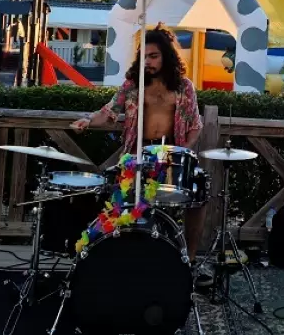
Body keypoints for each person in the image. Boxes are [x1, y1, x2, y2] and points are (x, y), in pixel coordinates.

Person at [71, 25, 211, 286]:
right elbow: (108, 112)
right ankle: (117, 260)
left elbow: (195, 125)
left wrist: (184, 150)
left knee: (198, 192)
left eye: (153, 56)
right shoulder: (133, 85)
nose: (148, 61)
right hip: (137, 157)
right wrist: (88, 120)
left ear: (167, 56)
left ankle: (189, 262)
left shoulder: (184, 87)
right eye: (144, 56)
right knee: (120, 206)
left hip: (171, 156)